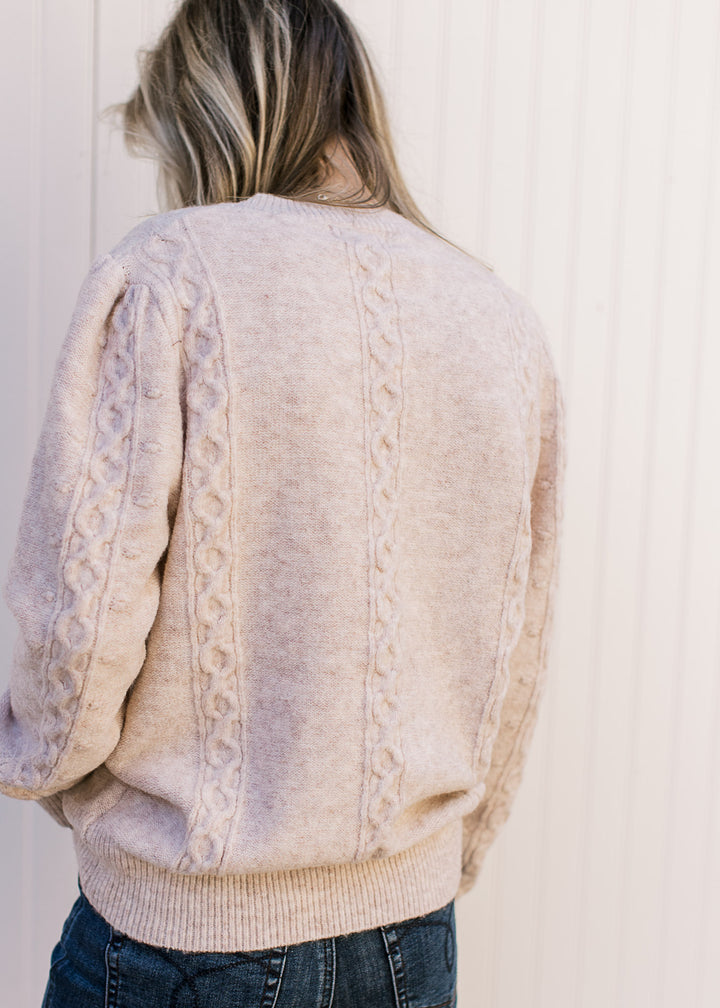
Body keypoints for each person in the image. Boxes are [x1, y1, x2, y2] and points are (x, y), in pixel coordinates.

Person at [0, 1, 566, 1005]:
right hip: (409, 941)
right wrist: (433, 865)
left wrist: (40, 760)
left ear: (210, 112)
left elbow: (80, 631)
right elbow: (512, 662)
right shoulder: (501, 322)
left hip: (184, 943)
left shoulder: (171, 274)